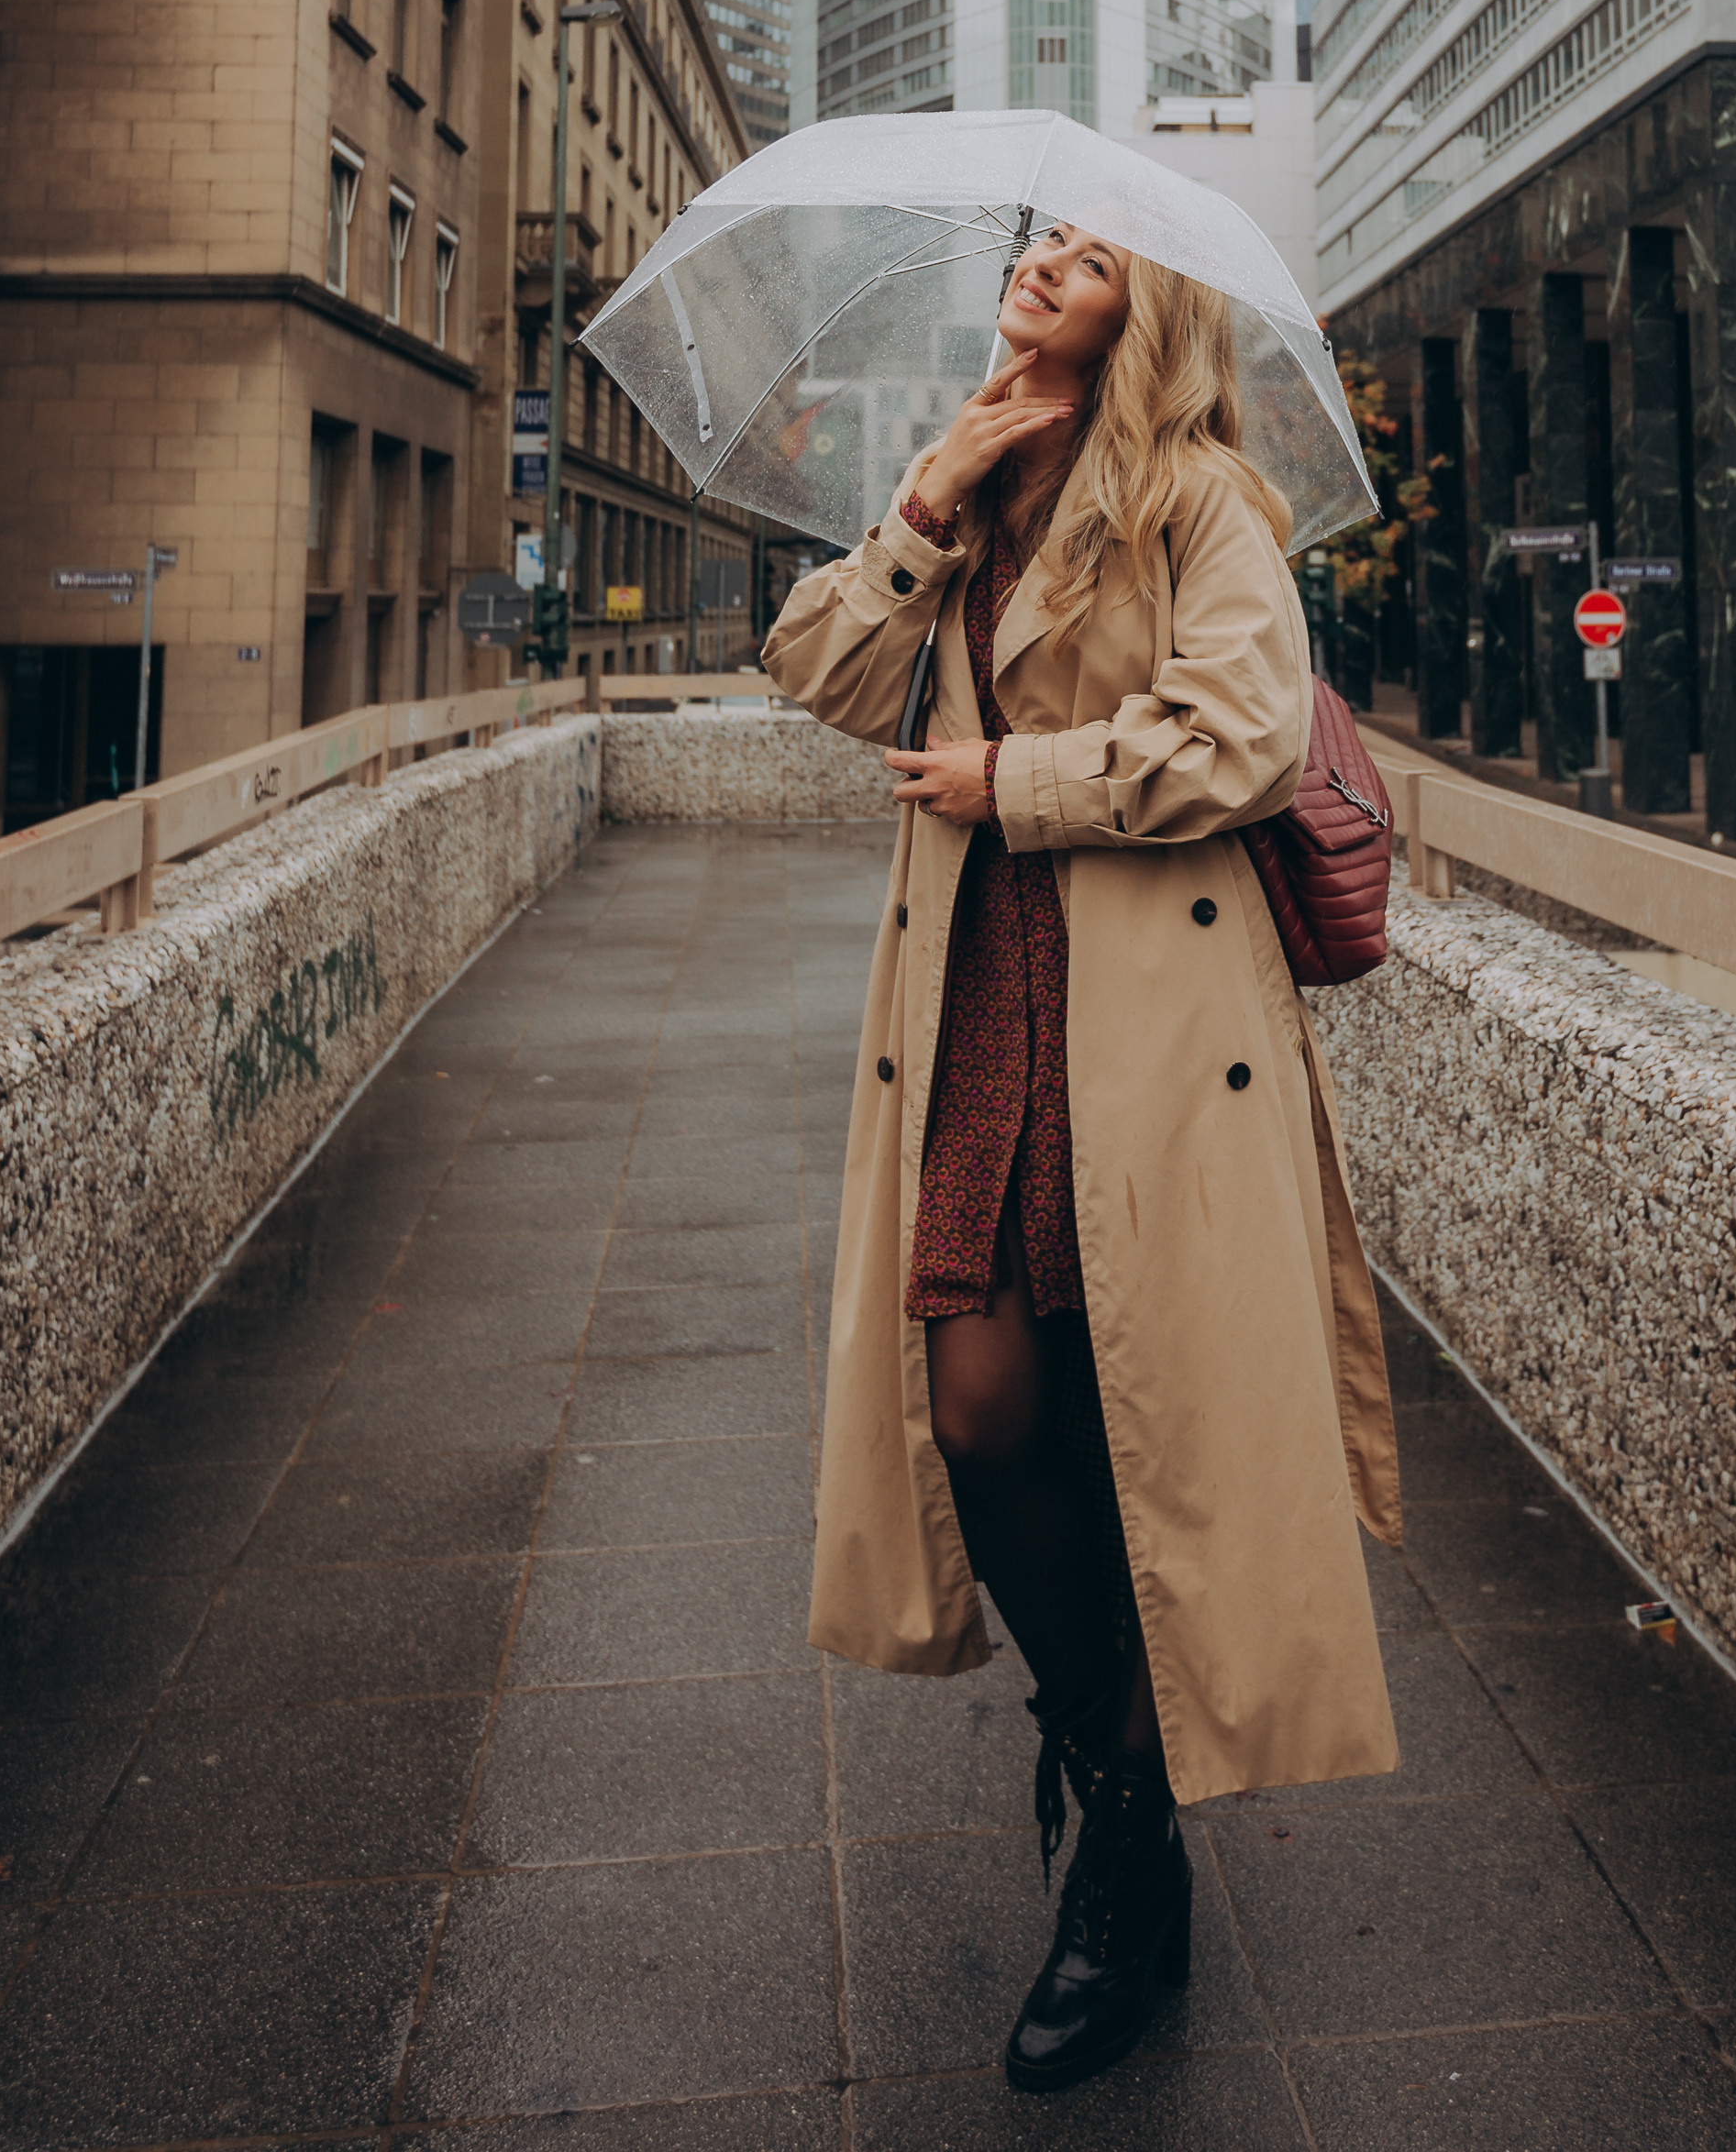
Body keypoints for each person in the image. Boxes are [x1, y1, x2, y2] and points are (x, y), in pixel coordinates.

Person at [762, 217, 1400, 2095]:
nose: (1045, 265)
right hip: (978, 1003)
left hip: (1147, 1007)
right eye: (1038, 242)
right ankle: (1125, 1769)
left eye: (1090, 255)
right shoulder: (970, 490)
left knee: (1142, 1414)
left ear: (1151, 311)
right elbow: (810, 669)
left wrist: (1009, 783)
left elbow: (1249, 740)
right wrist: (925, 499)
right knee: (979, 1404)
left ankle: (1121, 1862)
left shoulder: (1205, 502)